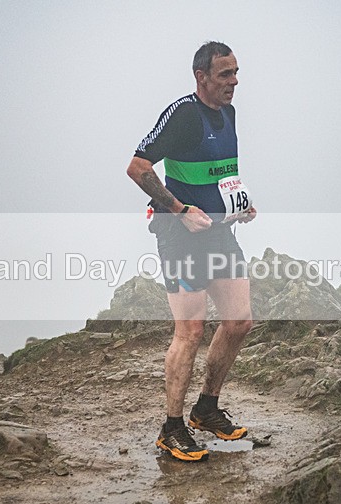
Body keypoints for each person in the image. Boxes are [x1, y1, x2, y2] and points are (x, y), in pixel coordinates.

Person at [126, 41, 256, 462]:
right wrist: (179, 210)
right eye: (225, 74)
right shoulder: (183, 114)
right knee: (191, 332)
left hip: (219, 231)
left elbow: (220, 171)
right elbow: (138, 168)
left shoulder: (228, 113)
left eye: (236, 72)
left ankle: (206, 409)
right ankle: (172, 428)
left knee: (238, 322)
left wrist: (238, 204)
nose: (234, 82)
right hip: (179, 233)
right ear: (201, 77)